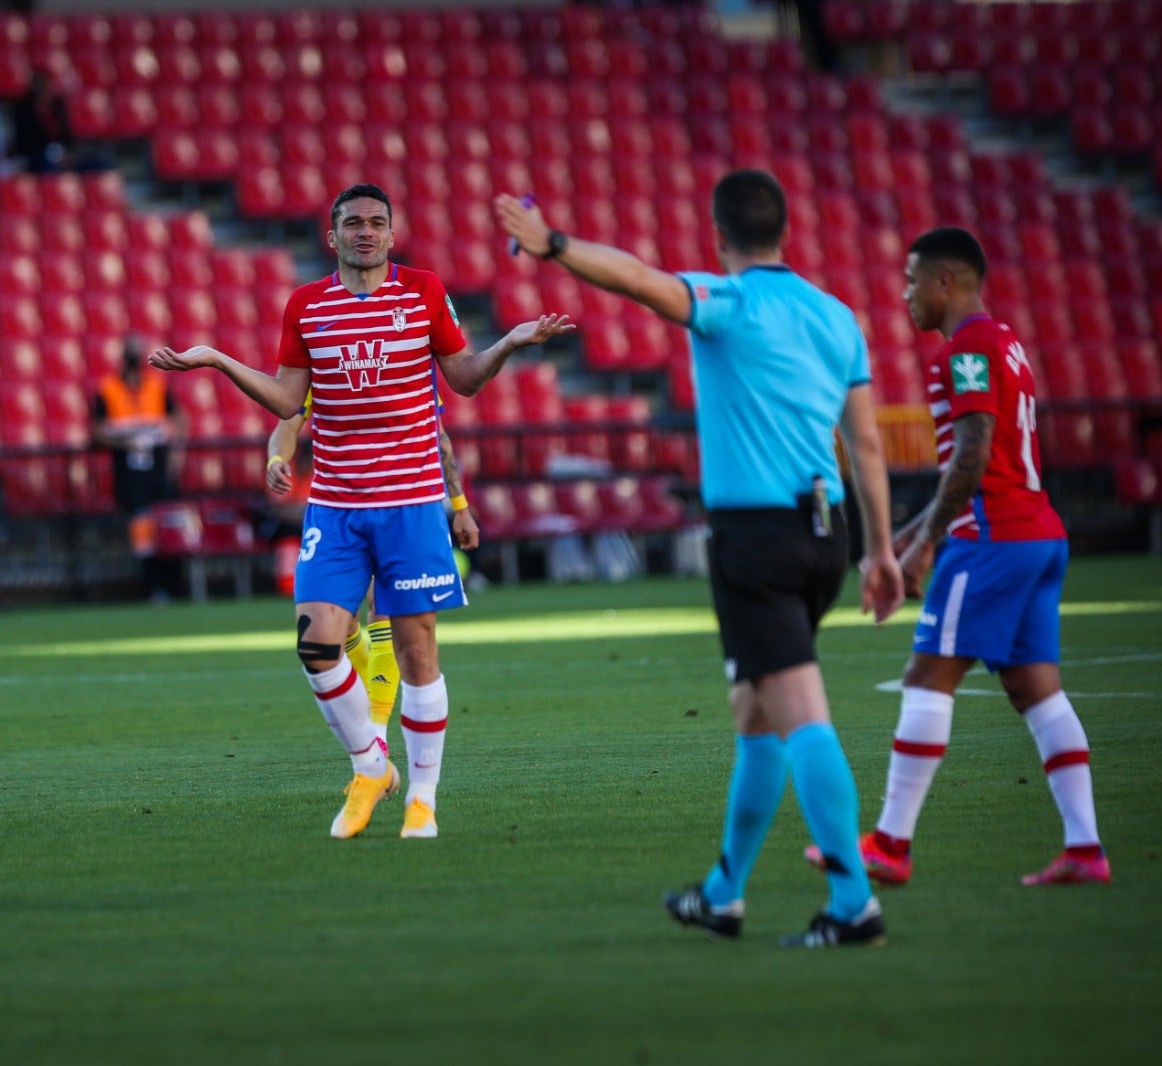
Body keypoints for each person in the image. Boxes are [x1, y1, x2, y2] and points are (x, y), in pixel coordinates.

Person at [497, 171, 904, 948]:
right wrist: (881, 550)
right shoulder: (837, 317)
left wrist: (551, 246)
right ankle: (723, 894)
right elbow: (870, 442)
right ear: (786, 231)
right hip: (829, 533)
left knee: (799, 713)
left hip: (756, 539)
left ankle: (854, 902)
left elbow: (640, 281)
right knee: (755, 711)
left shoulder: (727, 303)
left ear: (718, 237)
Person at [152, 183, 573, 840]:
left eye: (377, 222)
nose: (366, 232)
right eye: (353, 223)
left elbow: (461, 381)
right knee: (315, 642)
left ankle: (423, 802)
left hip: (409, 503)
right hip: (337, 505)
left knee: (415, 648)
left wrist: (510, 344)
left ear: (391, 234)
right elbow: (288, 403)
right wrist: (215, 360)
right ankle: (370, 765)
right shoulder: (307, 306)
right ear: (332, 236)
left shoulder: (424, 292)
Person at [806, 227, 1108, 888]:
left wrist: (922, 546)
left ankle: (890, 844)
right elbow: (975, 466)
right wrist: (910, 542)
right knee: (1036, 690)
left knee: (927, 676)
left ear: (946, 281)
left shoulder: (967, 351)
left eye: (912, 279)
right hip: (1035, 531)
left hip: (993, 539)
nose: (905, 293)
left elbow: (971, 458)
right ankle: (1085, 849)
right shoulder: (1005, 342)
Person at [266, 391, 480, 753]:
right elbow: (287, 423)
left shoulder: (405, 356)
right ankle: (370, 694)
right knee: (337, 626)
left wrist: (459, 505)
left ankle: (376, 733)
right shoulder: (326, 359)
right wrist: (276, 458)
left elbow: (437, 431)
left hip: (399, 506)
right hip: (341, 510)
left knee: (386, 609)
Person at [92, 337, 188, 604]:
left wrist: (176, 453)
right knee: (142, 527)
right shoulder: (108, 389)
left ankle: (175, 584)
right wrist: (126, 440)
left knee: (168, 522)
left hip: (158, 468)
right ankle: (153, 587)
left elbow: (179, 417)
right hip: (130, 471)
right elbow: (97, 430)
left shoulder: (156, 386)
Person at [11, 71, 73, 174]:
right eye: (39, 86)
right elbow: (24, 144)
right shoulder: (24, 110)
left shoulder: (57, 106)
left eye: (45, 86)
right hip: (36, 156)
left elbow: (67, 136)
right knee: (49, 168)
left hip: (61, 152)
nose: (43, 90)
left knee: (95, 164)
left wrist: (67, 153)